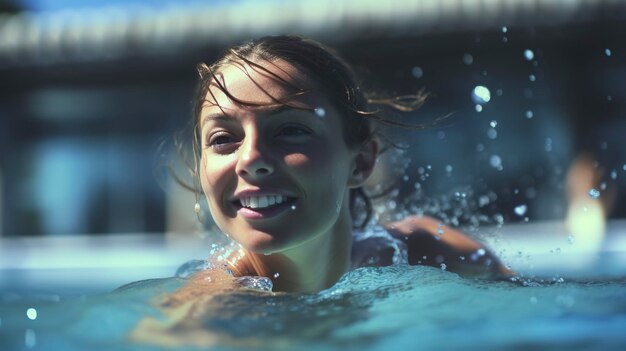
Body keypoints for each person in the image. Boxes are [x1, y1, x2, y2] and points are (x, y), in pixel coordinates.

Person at [130, 35, 513, 346]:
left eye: (290, 130)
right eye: (223, 138)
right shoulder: (200, 318)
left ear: (361, 162)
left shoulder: (426, 250)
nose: (250, 159)